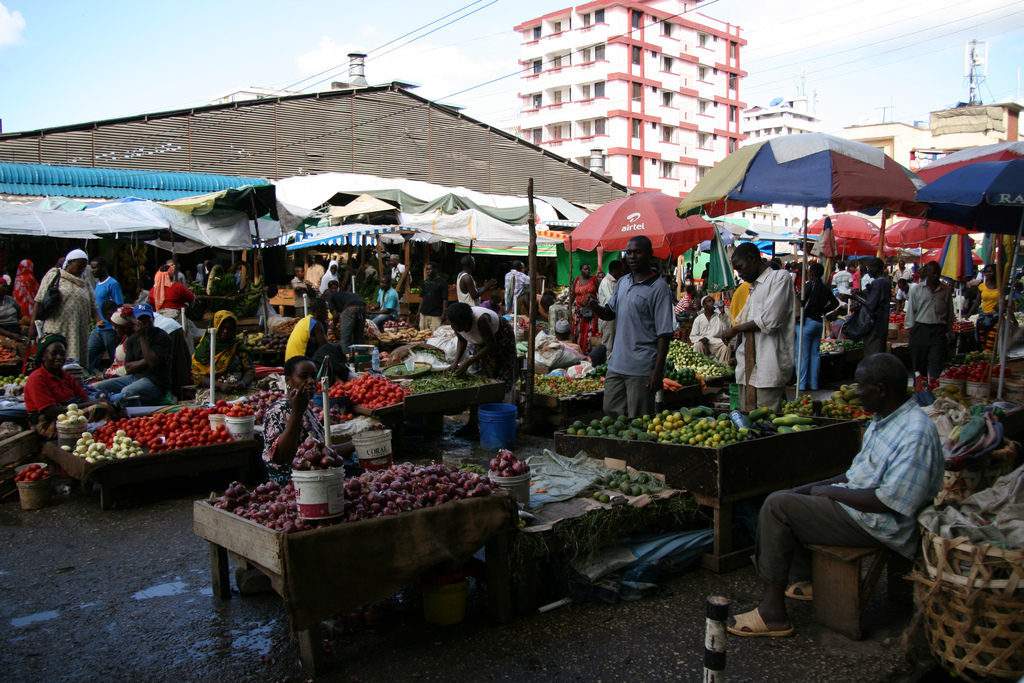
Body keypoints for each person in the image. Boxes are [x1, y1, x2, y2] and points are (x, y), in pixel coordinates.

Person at [727, 354, 944, 638]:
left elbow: (891, 502)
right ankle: (807, 579)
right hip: (858, 508)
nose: (855, 392)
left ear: (880, 390)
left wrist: (829, 493)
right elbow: (854, 475)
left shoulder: (916, 434)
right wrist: (809, 489)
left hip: (880, 524)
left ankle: (773, 614)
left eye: (861, 386)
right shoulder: (884, 419)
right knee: (786, 496)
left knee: (777, 506)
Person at [585, 236, 674, 419]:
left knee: (639, 418)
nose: (632, 256)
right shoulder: (623, 282)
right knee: (611, 412)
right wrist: (594, 307)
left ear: (650, 255)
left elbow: (665, 334)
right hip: (617, 364)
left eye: (638, 252)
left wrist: (657, 371)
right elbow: (610, 312)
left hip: (642, 367)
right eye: (629, 252)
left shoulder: (660, 289)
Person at [721, 242, 796, 413]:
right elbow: (743, 321)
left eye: (740, 268)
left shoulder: (780, 278)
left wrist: (735, 330)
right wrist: (735, 349)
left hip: (769, 364)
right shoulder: (752, 287)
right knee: (746, 416)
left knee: (767, 420)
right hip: (746, 365)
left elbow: (770, 321)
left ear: (752, 258)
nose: (740, 274)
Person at [261, 355, 355, 484]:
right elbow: (281, 457)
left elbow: (324, 450)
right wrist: (297, 413)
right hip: (291, 483)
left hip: (316, 476)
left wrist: (357, 443)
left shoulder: (306, 406)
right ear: (288, 381)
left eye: (313, 376)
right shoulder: (280, 410)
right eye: (303, 376)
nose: (311, 381)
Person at [445, 302, 518, 432]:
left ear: (467, 321)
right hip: (482, 341)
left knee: (500, 378)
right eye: (453, 325)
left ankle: (498, 422)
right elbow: (462, 340)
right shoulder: (456, 323)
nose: (455, 328)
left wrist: (467, 362)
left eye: (458, 326)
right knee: (479, 378)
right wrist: (456, 362)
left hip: (500, 338)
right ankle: (473, 423)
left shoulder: (481, 320)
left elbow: (491, 346)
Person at [24, 334, 115, 439]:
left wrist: (96, 402)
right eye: (54, 354)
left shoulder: (64, 375)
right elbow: (50, 411)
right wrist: (94, 404)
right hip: (48, 423)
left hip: (69, 415)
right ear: (43, 356)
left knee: (112, 407)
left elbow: (84, 398)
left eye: (62, 354)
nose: (59, 358)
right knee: (99, 408)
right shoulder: (37, 378)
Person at [91, 304, 172, 406]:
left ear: (153, 318)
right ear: (135, 321)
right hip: (135, 377)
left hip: (156, 382)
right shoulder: (132, 339)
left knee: (127, 392)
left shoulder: (162, 337)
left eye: (147, 319)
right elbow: (129, 368)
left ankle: (132, 417)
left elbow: (152, 363)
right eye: (141, 320)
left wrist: (142, 338)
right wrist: (148, 359)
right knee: (101, 387)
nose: (145, 323)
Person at [28, 249, 98, 365]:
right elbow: (38, 300)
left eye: (84, 268)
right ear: (70, 263)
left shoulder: (85, 281)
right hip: (58, 327)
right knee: (55, 356)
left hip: (78, 330)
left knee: (75, 363)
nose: (81, 270)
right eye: (79, 266)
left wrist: (98, 320)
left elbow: (93, 304)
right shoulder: (54, 276)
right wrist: (32, 326)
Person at [906, 261, 954, 380]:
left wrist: (950, 331)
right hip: (920, 329)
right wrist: (911, 330)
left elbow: (949, 313)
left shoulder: (946, 290)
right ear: (927, 273)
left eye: (938, 273)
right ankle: (921, 392)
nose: (936, 276)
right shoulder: (916, 289)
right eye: (933, 273)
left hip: (938, 331)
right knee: (919, 366)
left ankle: (934, 391)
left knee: (936, 364)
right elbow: (911, 311)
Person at [191, 310, 256, 394]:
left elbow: (250, 371)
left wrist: (243, 383)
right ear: (215, 327)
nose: (225, 331)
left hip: (237, 390)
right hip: (212, 390)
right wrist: (219, 385)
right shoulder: (204, 348)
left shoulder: (238, 346)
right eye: (223, 328)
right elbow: (198, 377)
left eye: (229, 329)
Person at [797, 263, 839, 390]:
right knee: (815, 355)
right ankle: (814, 384)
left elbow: (800, 299)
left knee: (803, 355)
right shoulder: (825, 288)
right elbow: (835, 303)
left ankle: (802, 384)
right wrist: (824, 311)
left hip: (807, 322)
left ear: (812, 273)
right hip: (818, 322)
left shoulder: (810, 285)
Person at [86, 257, 124, 373]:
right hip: (99, 328)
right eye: (91, 268)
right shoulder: (97, 284)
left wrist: (115, 326)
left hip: (109, 329)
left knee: (114, 356)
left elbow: (119, 306)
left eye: (94, 268)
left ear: (103, 268)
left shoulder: (112, 284)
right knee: (89, 352)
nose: (92, 270)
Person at [150, 263, 199, 353]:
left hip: (159, 319)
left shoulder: (153, 290)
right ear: (171, 276)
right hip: (177, 317)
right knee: (185, 339)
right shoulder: (177, 287)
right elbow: (190, 297)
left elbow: (151, 304)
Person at [851, 257, 891, 357]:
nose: (868, 271)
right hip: (882, 324)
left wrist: (857, 298)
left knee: (873, 356)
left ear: (876, 268)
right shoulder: (886, 280)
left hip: (875, 325)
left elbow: (871, 305)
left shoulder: (878, 283)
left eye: (870, 268)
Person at [690, 295, 732, 365]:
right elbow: (693, 336)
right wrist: (701, 338)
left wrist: (723, 314)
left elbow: (727, 329)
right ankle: (701, 366)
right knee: (698, 344)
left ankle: (723, 367)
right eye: (709, 301)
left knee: (727, 346)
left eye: (713, 301)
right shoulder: (699, 319)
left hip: (716, 342)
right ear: (704, 306)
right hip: (704, 343)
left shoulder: (720, 316)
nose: (712, 302)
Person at [969, 264, 1001, 352]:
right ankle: (984, 357)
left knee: (991, 339)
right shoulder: (982, 286)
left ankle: (990, 355)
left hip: (996, 316)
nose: (988, 274)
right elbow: (977, 302)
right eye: (986, 272)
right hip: (983, 316)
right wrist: (970, 313)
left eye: (991, 271)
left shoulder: (1000, 287)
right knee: (981, 339)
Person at [327, 284, 366, 354]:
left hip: (351, 308)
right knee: (359, 337)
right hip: (363, 307)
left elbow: (335, 316)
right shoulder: (341, 294)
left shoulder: (330, 298)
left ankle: (346, 358)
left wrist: (333, 326)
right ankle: (361, 357)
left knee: (345, 339)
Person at [102, 306, 136, 378]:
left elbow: (126, 368)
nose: (114, 329)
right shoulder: (125, 338)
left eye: (116, 327)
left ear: (125, 328)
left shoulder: (134, 341)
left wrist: (106, 375)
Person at [571, 263, 598, 353]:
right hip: (579, 310)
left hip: (591, 310)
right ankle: (579, 350)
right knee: (578, 331)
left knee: (590, 331)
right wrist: (569, 306)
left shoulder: (594, 279)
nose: (587, 271)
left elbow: (600, 293)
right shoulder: (577, 280)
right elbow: (573, 294)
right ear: (581, 271)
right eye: (585, 269)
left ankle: (589, 351)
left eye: (589, 269)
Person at [597, 260, 623, 354]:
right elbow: (612, 302)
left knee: (613, 345)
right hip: (608, 318)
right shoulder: (607, 283)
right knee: (609, 346)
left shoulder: (615, 282)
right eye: (621, 271)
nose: (622, 273)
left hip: (613, 318)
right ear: (615, 270)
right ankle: (607, 366)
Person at [418, 261, 447, 332]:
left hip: (436, 314)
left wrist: (444, 313)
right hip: (424, 313)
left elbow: (445, 299)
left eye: (429, 269)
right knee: (423, 333)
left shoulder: (442, 283)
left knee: (435, 334)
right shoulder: (426, 282)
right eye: (426, 270)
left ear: (435, 269)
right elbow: (422, 297)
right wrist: (419, 311)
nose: (427, 271)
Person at [0, 275, 24, 340]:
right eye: (4, 287)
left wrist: (16, 320)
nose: (7, 289)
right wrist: (11, 335)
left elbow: (18, 309)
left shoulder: (9, 299)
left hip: (15, 328)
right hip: (3, 331)